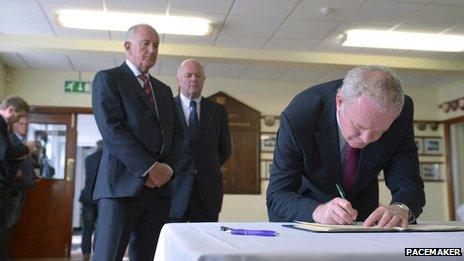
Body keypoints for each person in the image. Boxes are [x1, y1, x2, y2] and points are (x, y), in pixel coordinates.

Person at [266, 65, 425, 228]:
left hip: (365, 222)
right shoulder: (301, 115)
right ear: (340, 102)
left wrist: (401, 208)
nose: (366, 139)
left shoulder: (401, 112)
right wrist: (318, 211)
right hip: (308, 219)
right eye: (359, 127)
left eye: (380, 132)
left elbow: (408, 182)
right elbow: (278, 195)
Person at [92, 24, 183, 261]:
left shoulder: (163, 91)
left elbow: (178, 135)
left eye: (156, 45)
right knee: (107, 256)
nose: (152, 49)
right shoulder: (108, 79)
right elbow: (112, 130)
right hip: (120, 188)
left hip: (158, 191)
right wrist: (150, 168)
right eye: (146, 43)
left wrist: (167, 169)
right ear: (127, 46)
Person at [170, 59, 231, 222]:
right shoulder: (167, 108)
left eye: (198, 75)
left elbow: (224, 150)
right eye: (188, 75)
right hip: (173, 192)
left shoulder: (217, 111)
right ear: (179, 79)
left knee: (205, 244)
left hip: (207, 193)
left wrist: (204, 166)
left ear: (204, 80)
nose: (193, 79)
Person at [0, 96, 30, 260]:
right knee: (4, 229)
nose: (18, 122)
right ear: (11, 110)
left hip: (6, 185)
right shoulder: (1, 125)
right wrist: (26, 148)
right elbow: (5, 153)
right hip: (4, 185)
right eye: (19, 118)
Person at [78, 140, 103, 259]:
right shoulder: (108, 160)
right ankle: (98, 252)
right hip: (101, 198)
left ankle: (85, 253)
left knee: (87, 227)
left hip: (88, 197)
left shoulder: (88, 159)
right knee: (101, 227)